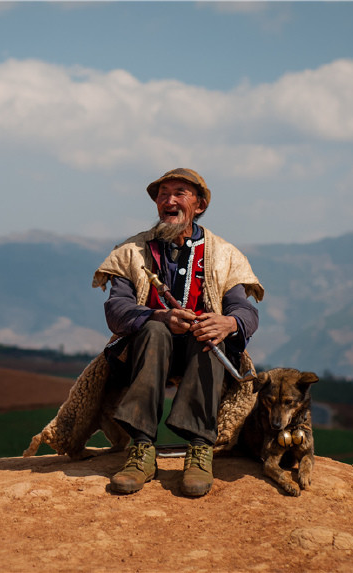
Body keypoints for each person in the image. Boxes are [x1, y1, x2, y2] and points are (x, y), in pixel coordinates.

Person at [95, 168, 264, 497]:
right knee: (156, 330)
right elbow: (117, 309)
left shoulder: (223, 255)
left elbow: (244, 310)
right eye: (163, 194)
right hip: (144, 353)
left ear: (198, 205)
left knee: (209, 334)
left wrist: (228, 323)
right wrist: (157, 316)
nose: (169, 201)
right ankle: (142, 449)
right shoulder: (131, 252)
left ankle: (200, 448)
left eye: (179, 194)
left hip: (204, 359)